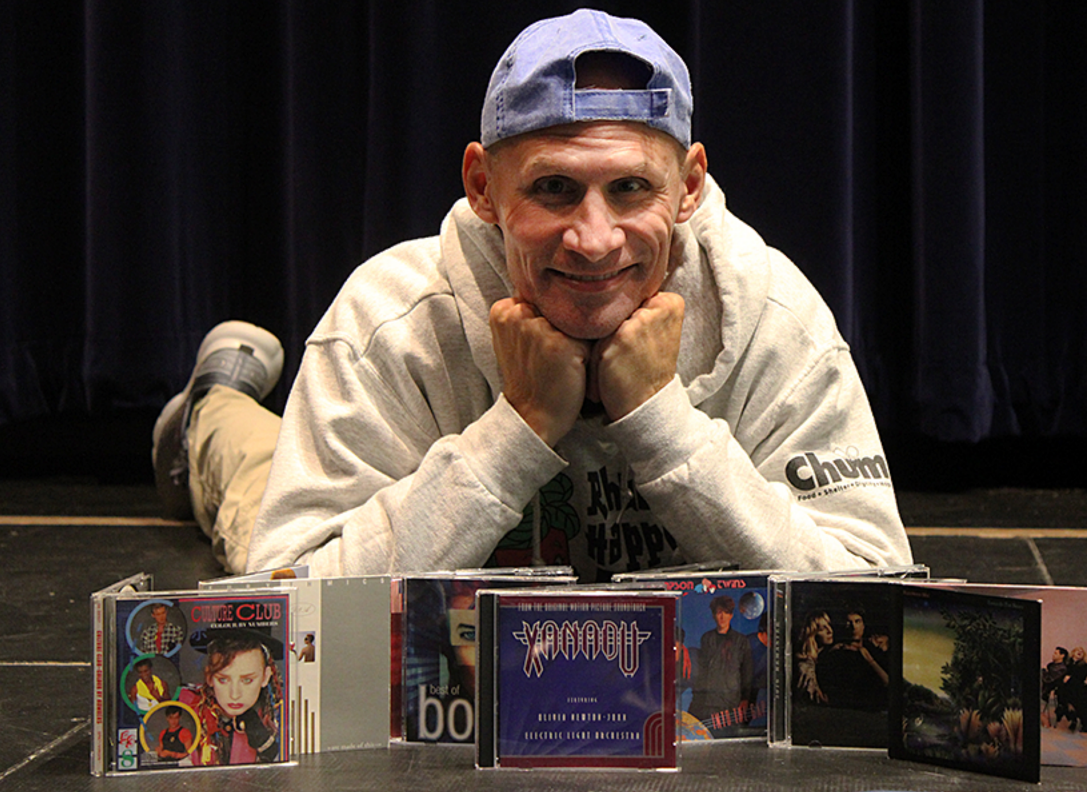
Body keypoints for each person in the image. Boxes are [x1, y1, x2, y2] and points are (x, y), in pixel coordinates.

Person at [152, 9, 912, 582]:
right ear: (482, 186)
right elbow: (287, 611)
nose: (593, 238)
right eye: (553, 188)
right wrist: (516, 429)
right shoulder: (391, 319)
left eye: (629, 189)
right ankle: (208, 416)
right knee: (251, 494)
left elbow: (873, 594)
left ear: (687, 187)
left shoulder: (768, 314)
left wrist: (661, 422)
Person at [179, 629, 284, 766]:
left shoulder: (281, 719)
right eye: (223, 680)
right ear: (209, 676)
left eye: (247, 680)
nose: (234, 694)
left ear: (265, 677)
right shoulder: (184, 708)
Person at [688, 595, 753, 731]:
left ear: (731, 615)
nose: (722, 617)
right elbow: (703, 669)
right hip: (709, 700)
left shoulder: (741, 641)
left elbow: (747, 671)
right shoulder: (707, 638)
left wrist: (745, 698)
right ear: (713, 615)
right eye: (719, 612)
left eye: (726, 612)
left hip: (731, 700)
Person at [816, 606, 888, 709]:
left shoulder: (874, 646)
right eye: (849, 623)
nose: (853, 627)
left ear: (863, 625)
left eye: (857, 621)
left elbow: (889, 683)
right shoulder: (836, 653)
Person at [794, 609, 834, 704]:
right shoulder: (805, 665)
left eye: (829, 625)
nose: (829, 631)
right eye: (822, 629)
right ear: (812, 634)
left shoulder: (828, 654)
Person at [1058, 646, 1087, 734]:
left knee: (1082, 705)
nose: (1079, 652)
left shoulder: (1085, 666)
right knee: (1063, 700)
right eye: (1077, 650)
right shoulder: (1067, 664)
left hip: (1079, 690)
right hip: (1068, 690)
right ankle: (1072, 717)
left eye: (1081, 651)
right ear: (1073, 652)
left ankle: (1086, 726)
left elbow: (1080, 677)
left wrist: (1069, 678)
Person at [1041, 646, 1069, 727]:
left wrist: (1043, 672)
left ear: (1062, 655)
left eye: (1056, 653)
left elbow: (1049, 680)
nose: (1053, 655)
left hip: (1050, 690)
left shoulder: (1061, 668)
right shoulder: (1051, 666)